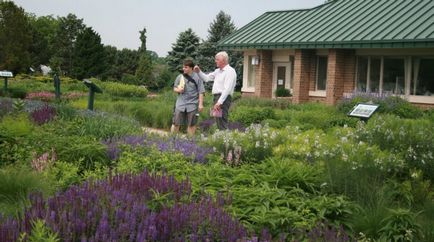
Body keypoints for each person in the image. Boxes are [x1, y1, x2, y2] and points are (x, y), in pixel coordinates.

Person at [194, 51, 237, 130]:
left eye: (217, 59)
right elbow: (206, 78)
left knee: (222, 119)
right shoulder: (217, 71)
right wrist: (198, 71)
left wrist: (219, 102)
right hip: (216, 97)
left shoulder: (230, 71)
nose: (215, 61)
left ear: (223, 60)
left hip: (223, 98)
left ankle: (225, 139)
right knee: (218, 119)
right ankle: (221, 137)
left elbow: (227, 89)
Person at [172, 59, 205, 136]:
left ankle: (189, 142)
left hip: (192, 104)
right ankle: (172, 140)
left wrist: (200, 104)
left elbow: (201, 92)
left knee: (191, 124)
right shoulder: (180, 77)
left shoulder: (197, 78)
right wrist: (178, 90)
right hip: (180, 104)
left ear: (191, 68)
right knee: (176, 123)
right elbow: (174, 88)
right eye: (183, 67)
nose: (183, 69)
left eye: (186, 67)